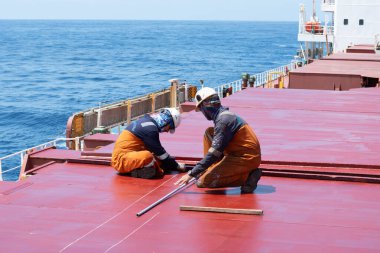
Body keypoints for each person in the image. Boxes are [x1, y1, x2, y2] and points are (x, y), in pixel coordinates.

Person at [175, 87, 262, 193]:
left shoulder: (223, 121)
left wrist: (191, 174)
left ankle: (248, 176)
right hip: (238, 154)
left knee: (203, 182)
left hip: (246, 158)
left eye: (201, 109)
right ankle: (211, 168)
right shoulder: (223, 117)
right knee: (209, 132)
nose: (202, 112)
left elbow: (214, 153)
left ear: (205, 106)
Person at [112, 107, 185, 179]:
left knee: (157, 160)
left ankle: (139, 169)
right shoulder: (150, 130)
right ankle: (138, 172)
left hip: (128, 156)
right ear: (167, 121)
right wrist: (177, 166)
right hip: (120, 160)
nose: (167, 131)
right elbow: (161, 153)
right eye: (170, 127)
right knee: (148, 156)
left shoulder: (147, 121)